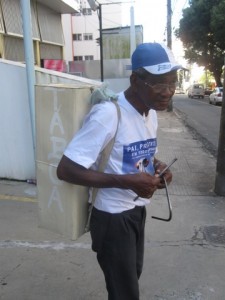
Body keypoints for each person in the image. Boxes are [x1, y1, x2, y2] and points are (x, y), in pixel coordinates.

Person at [57, 42, 182, 300]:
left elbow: (138, 152)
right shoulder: (108, 115)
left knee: (128, 280)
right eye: (159, 83)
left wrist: (157, 166)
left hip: (136, 212)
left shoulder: (151, 113)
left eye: (173, 83)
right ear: (135, 80)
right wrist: (127, 182)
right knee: (125, 291)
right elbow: (66, 169)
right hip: (113, 219)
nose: (168, 92)